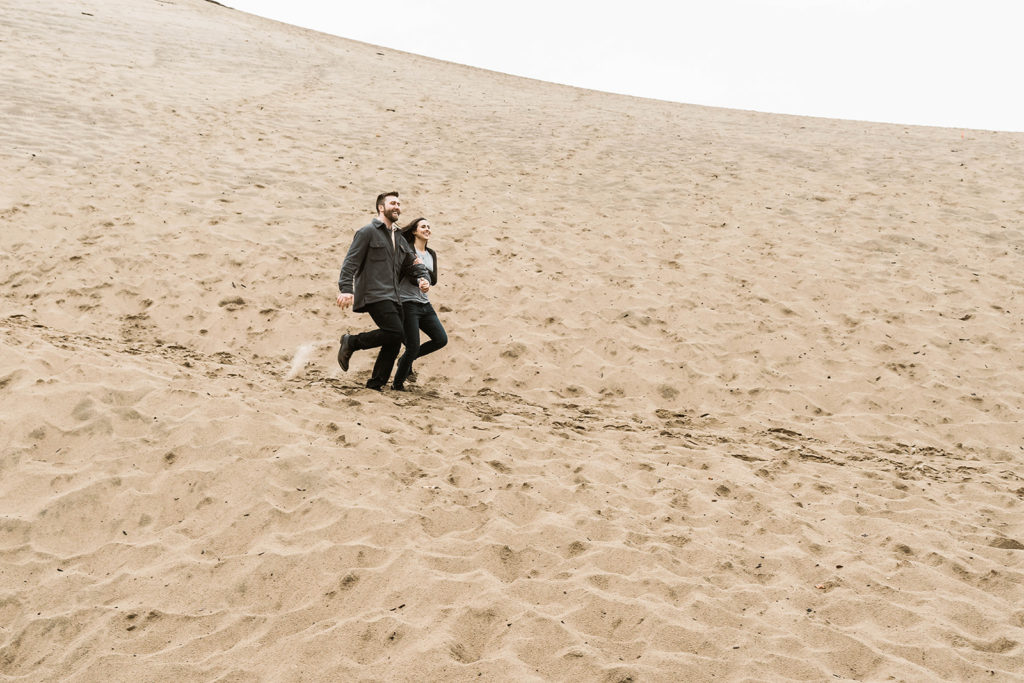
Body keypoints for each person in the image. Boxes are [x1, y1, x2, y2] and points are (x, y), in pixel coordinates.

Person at [336, 191, 430, 390]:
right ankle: (351, 342)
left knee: (394, 340)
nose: (397, 207)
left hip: (394, 296)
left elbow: (412, 263)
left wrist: (422, 277)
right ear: (381, 207)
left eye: (399, 204)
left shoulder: (399, 238)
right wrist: (346, 289)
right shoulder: (367, 232)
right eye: (393, 203)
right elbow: (350, 263)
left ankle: (375, 384)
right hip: (374, 293)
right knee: (396, 332)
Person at [392, 217, 448, 391]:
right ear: (415, 231)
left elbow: (434, 279)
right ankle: (397, 384)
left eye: (429, 227)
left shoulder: (431, 254)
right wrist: (419, 277)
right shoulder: (407, 251)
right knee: (413, 345)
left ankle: (404, 361)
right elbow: (406, 271)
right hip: (407, 303)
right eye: (423, 226)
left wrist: (423, 274)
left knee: (440, 339)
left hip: (424, 304)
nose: (427, 229)